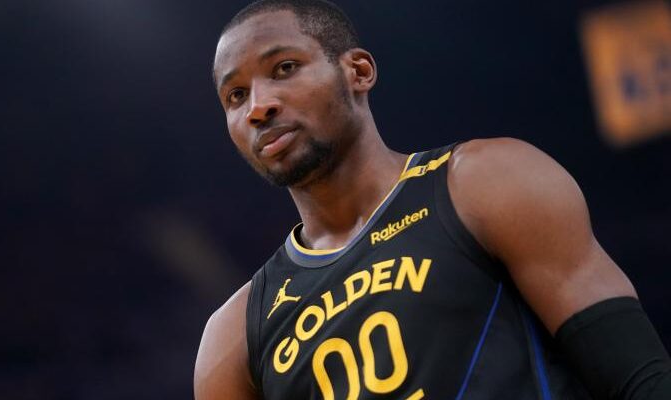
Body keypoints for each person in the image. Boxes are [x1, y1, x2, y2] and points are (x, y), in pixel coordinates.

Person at [194, 0, 671, 398]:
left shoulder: (484, 181)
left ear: (358, 71)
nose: (258, 107)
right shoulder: (234, 336)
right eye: (235, 96)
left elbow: (639, 377)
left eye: (284, 68)